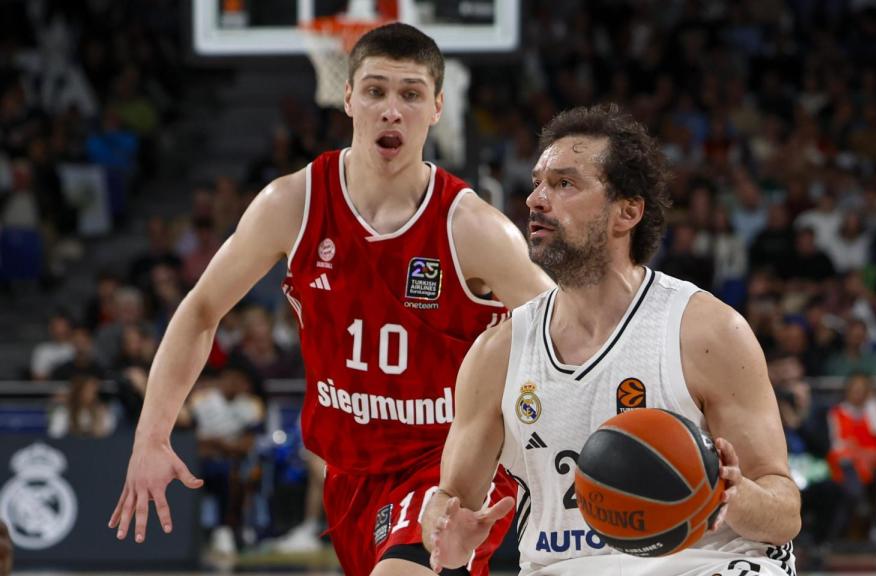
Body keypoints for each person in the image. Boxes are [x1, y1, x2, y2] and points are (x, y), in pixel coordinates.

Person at [108, 23, 552, 576]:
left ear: (437, 106)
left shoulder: (475, 230)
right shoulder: (292, 204)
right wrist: (151, 434)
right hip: (349, 475)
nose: (392, 110)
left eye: (411, 94)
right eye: (375, 91)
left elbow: (568, 330)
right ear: (347, 97)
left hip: (447, 467)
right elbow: (201, 309)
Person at [423, 104, 800, 576]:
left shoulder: (706, 332)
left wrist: (731, 494)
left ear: (628, 212)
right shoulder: (497, 353)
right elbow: (453, 499)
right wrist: (444, 530)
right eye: (538, 183)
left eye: (564, 183)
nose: (536, 200)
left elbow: (785, 514)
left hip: (706, 563)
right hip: (566, 567)